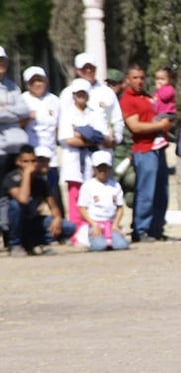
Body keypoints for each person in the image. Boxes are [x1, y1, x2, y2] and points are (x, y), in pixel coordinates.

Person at [120, 64, 172, 242]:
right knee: (145, 192)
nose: (139, 81)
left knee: (161, 192)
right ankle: (140, 229)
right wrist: (160, 126)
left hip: (158, 148)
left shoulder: (148, 96)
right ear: (128, 79)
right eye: (135, 78)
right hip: (144, 149)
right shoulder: (128, 99)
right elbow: (135, 126)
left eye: (142, 77)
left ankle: (156, 228)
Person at [59, 78, 111, 235]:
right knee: (75, 199)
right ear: (73, 95)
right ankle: (77, 233)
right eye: (78, 93)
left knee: (92, 197)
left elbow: (102, 136)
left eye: (84, 93)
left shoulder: (95, 113)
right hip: (74, 162)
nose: (81, 96)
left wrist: (80, 133)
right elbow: (68, 139)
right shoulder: (67, 114)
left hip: (92, 161)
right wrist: (89, 136)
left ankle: (93, 230)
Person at [1, 145, 75, 256]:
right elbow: (23, 199)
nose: (30, 165)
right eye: (26, 161)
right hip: (13, 224)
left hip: (32, 221)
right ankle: (15, 244)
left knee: (68, 227)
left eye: (33, 161)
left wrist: (57, 218)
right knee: (15, 205)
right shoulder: (11, 178)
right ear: (19, 162)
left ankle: (35, 243)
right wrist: (26, 175)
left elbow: (53, 206)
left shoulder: (40, 180)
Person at [59, 53, 124, 155]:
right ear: (77, 70)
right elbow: (63, 127)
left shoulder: (107, 92)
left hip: (104, 151)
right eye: (84, 68)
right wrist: (93, 140)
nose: (88, 70)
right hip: (75, 152)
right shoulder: (67, 94)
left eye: (91, 67)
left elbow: (117, 119)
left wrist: (115, 139)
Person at [21, 66, 62, 216]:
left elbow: (59, 127)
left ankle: (59, 226)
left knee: (53, 190)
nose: (38, 84)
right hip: (31, 156)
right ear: (27, 84)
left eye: (40, 80)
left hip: (50, 156)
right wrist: (26, 118)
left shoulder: (54, 100)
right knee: (34, 192)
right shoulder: (23, 100)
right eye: (33, 81)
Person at [77, 150, 130, 251]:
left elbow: (119, 208)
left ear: (109, 168)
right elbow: (82, 208)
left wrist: (115, 224)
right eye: (99, 168)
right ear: (94, 169)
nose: (102, 171)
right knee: (99, 246)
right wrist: (93, 224)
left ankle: (111, 238)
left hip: (110, 224)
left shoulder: (115, 186)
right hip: (95, 223)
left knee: (122, 246)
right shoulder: (88, 186)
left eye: (105, 168)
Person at [0, 46, 30, 176]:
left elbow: (25, 111)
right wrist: (14, 115)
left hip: (16, 148)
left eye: (2, 60)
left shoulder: (13, 86)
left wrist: (7, 109)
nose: (1, 63)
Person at [151, 66, 177, 151]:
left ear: (169, 80)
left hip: (167, 113)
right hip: (161, 113)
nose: (159, 81)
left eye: (162, 79)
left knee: (155, 122)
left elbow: (164, 97)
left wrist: (159, 89)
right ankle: (161, 139)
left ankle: (160, 139)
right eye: (157, 79)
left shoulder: (169, 89)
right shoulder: (159, 90)